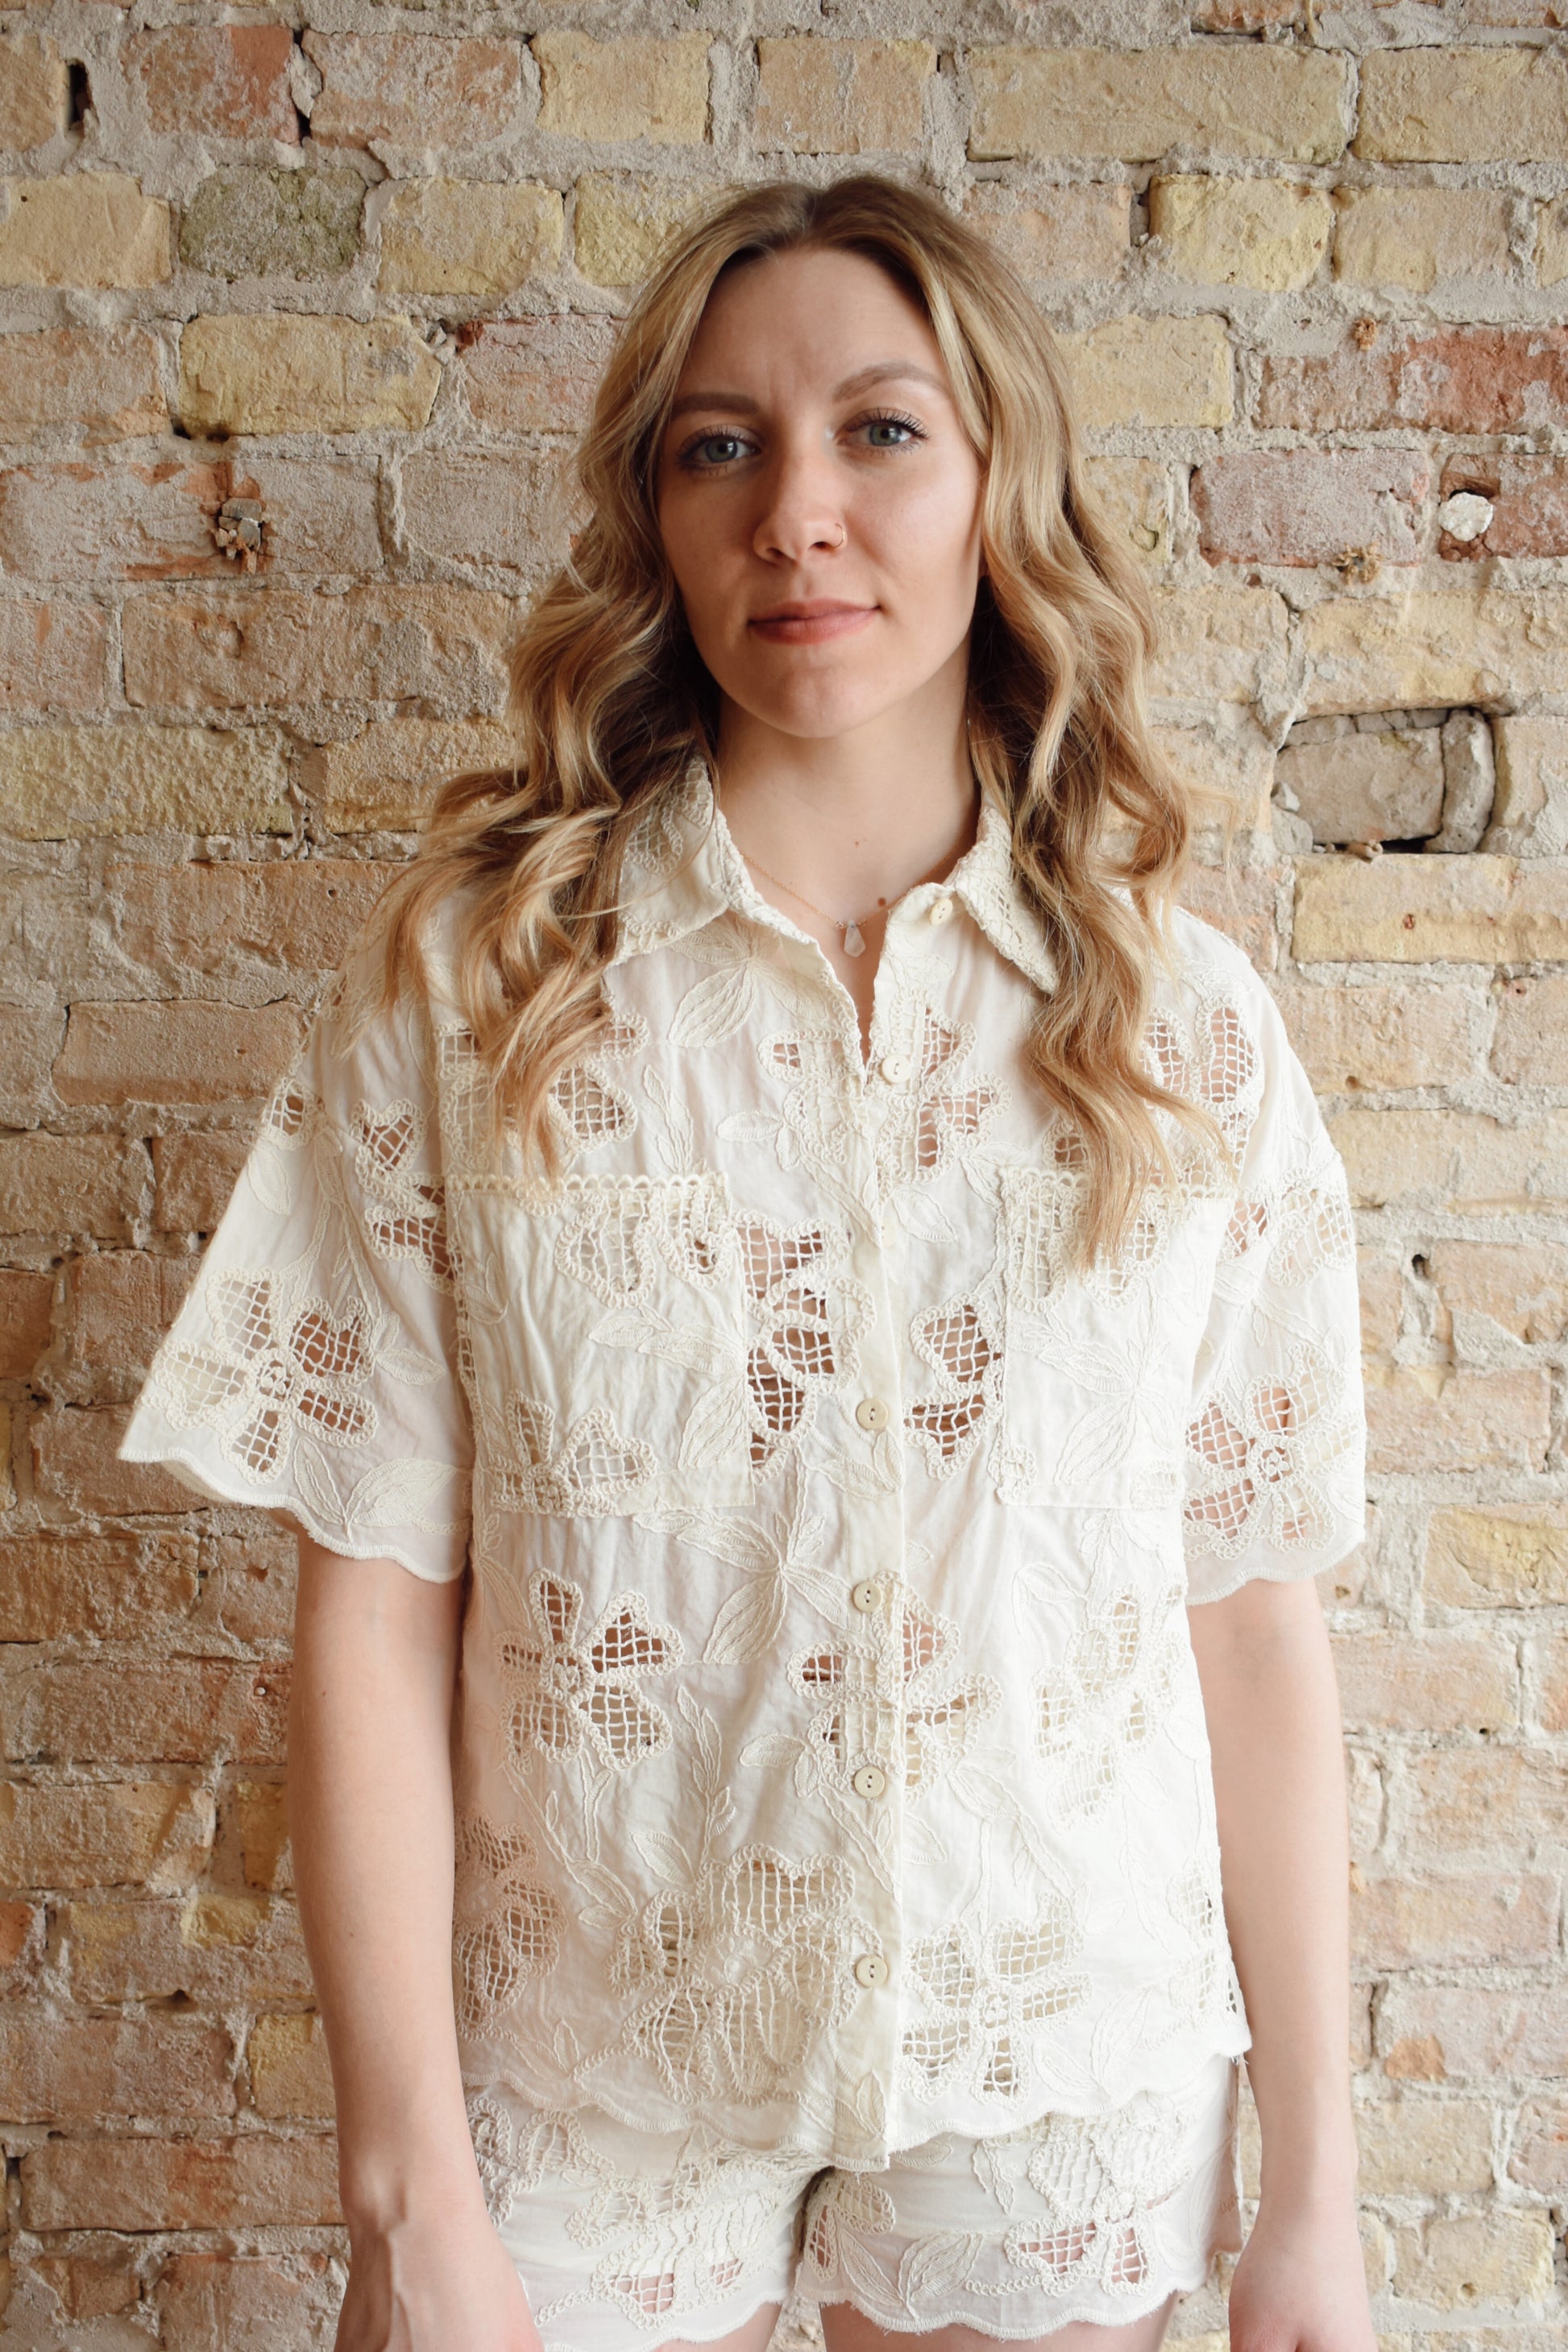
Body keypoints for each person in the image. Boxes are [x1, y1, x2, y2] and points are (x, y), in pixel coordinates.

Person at [118, 174, 1373, 2352]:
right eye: (723, 446)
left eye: (879, 430)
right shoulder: (476, 991)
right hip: (583, 2064)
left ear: (998, 485)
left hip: (1052, 2055)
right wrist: (407, 2199)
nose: (798, 513)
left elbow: (1249, 1618)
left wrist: (1318, 2205)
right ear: (660, 513)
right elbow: (373, 1597)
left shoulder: (1181, 1026)